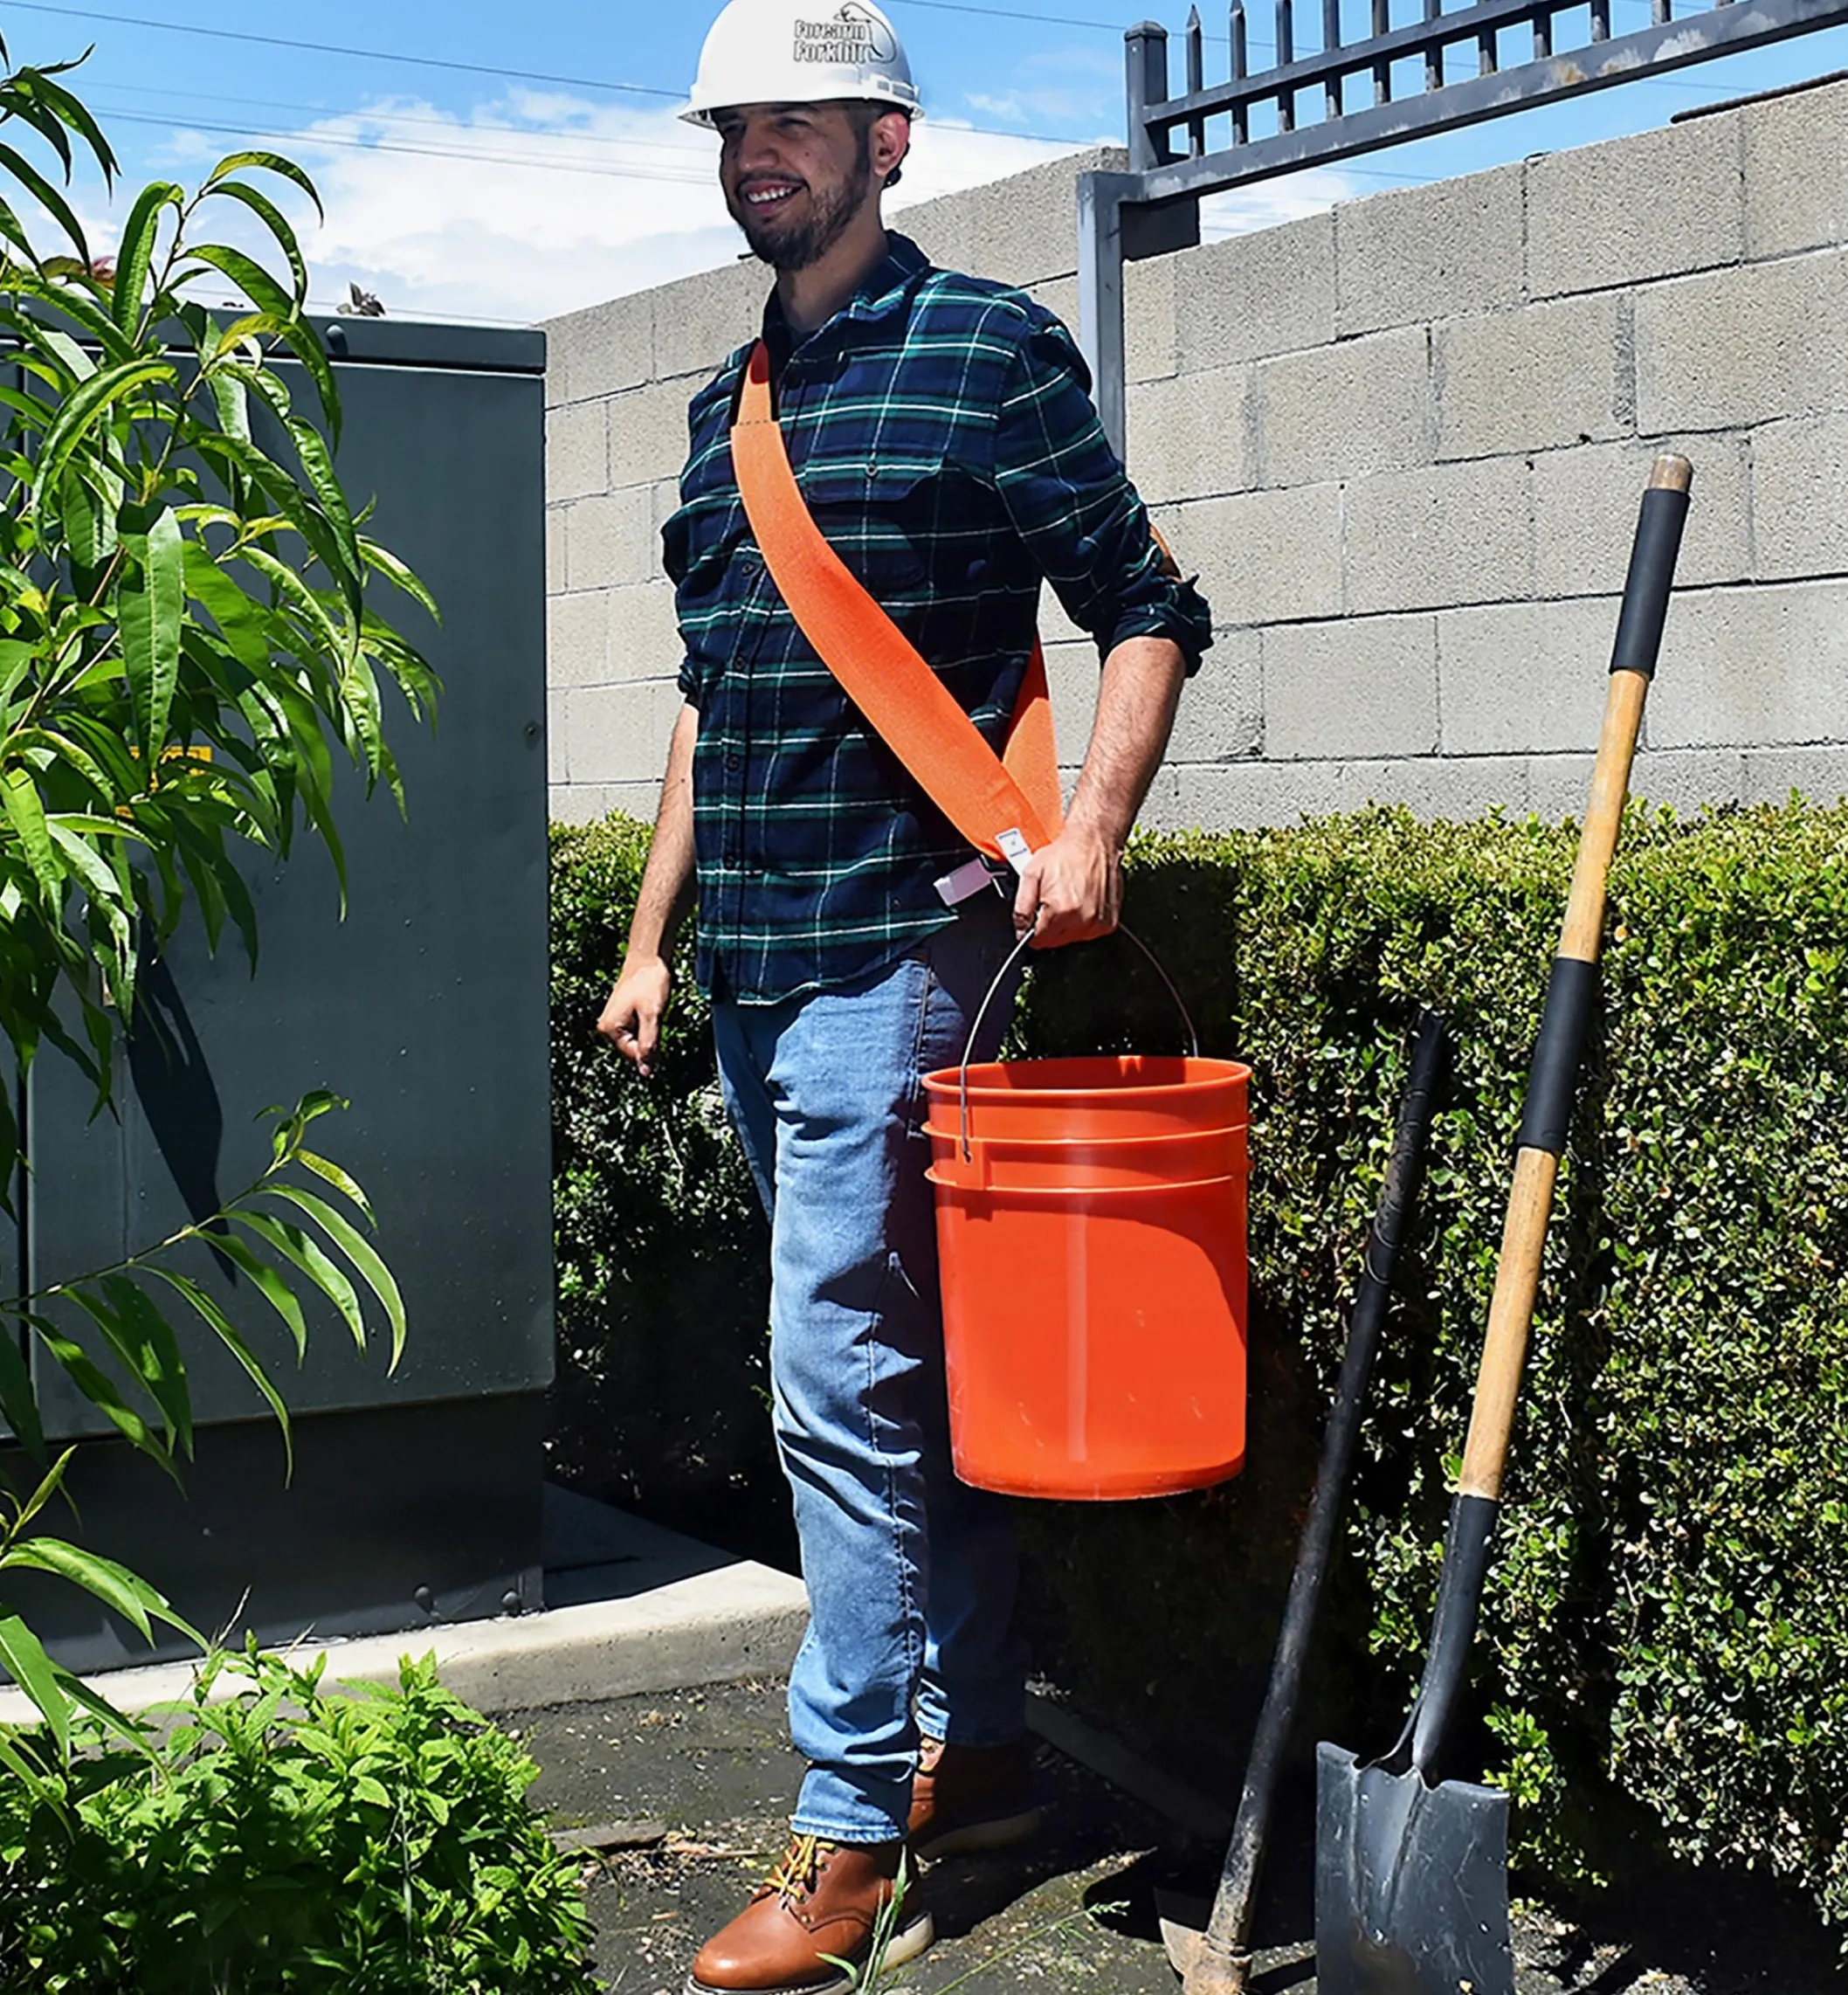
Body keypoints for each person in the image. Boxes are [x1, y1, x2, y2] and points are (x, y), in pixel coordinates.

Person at [596, 2, 1212, 1985]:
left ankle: (848, 1822)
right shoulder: (722, 410)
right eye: (731, 130)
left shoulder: (989, 350)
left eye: (794, 123)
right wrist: (644, 934)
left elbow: (1145, 600)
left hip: (900, 947)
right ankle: (992, 1750)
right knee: (902, 1392)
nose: (753, 155)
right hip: (755, 970)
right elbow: (714, 698)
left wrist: (1091, 822)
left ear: (887, 145)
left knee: (836, 1394)